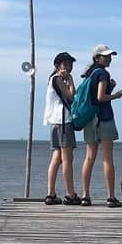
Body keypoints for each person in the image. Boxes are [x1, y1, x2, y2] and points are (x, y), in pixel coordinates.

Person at [79, 44, 122, 207]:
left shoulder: (90, 74)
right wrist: (116, 95)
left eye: (110, 56)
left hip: (90, 120)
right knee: (107, 159)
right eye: (105, 56)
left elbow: (94, 96)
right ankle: (111, 197)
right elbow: (100, 97)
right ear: (97, 58)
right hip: (104, 119)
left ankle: (85, 195)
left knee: (89, 158)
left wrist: (110, 87)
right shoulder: (103, 73)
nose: (109, 59)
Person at [42, 51, 79, 206]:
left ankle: (51, 194)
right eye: (65, 64)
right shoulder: (57, 79)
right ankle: (70, 194)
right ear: (57, 66)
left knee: (57, 158)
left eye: (70, 65)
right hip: (63, 121)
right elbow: (72, 96)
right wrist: (70, 80)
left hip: (54, 122)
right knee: (67, 159)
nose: (68, 67)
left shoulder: (53, 79)